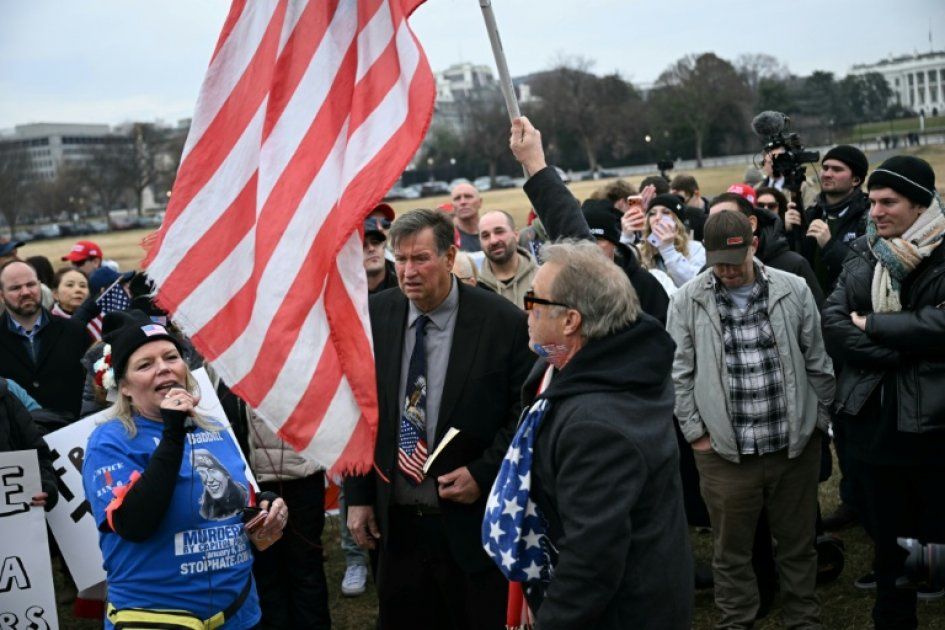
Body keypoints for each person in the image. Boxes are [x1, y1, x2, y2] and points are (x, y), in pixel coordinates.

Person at [482, 234, 691, 628]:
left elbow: (590, 561)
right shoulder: (622, 355)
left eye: (534, 301)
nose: (526, 311)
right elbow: (596, 277)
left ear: (571, 320)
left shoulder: (596, 428)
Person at [344, 209, 533, 629]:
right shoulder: (376, 316)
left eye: (421, 259)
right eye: (401, 259)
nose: (408, 271)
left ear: (450, 256)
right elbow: (359, 410)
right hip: (396, 527)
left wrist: (482, 473)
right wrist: (358, 495)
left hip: (471, 527)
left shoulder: (502, 323)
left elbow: (522, 418)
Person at [667, 211, 835, 629]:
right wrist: (696, 434)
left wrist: (819, 421)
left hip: (793, 446)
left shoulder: (792, 288)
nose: (725, 271)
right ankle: (736, 621)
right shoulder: (686, 300)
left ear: (753, 246)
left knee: (797, 546)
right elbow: (677, 373)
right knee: (731, 551)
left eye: (733, 261)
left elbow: (818, 361)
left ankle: (803, 619)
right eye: (717, 261)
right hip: (725, 454)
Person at [82, 310, 287, 629]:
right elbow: (134, 523)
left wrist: (263, 506)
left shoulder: (215, 428)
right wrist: (173, 431)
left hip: (238, 614)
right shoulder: (110, 440)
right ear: (124, 386)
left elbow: (235, 504)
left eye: (171, 357)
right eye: (145, 364)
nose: (163, 368)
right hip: (156, 619)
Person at [822, 156, 945, 627]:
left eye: (887, 202)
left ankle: (929, 578)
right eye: (871, 201)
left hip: (932, 425)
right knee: (888, 543)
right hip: (874, 427)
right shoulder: (863, 253)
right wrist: (902, 349)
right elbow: (833, 324)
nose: (874, 212)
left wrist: (874, 323)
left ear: (920, 204)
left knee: (931, 532)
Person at [0, 261, 89, 419]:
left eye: (31, 284)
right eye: (15, 288)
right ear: (1, 295)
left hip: (73, 432)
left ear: (40, 285)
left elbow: (90, 388)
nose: (26, 292)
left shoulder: (75, 331)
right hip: (17, 439)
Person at [709, 192, 824, 308]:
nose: (719, 228)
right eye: (712, 223)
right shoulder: (708, 271)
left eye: (728, 220)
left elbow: (816, 318)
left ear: (751, 223)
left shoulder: (794, 266)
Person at [787, 145, 871, 295]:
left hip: (848, 309)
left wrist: (830, 246)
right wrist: (786, 231)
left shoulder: (868, 216)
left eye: (837, 170)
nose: (827, 174)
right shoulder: (811, 214)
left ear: (856, 180)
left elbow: (867, 272)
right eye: (825, 168)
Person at [639, 194, 706, 287]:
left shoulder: (695, 248)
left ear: (677, 221)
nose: (657, 217)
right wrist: (626, 236)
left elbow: (695, 285)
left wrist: (668, 250)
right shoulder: (640, 249)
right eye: (652, 213)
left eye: (666, 212)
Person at [476, 210, 538, 309]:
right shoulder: (474, 287)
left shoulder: (541, 279)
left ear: (516, 235)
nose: (493, 241)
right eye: (485, 236)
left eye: (499, 232)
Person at [670, 173, 709, 240]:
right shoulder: (676, 215)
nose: (679, 206)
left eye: (682, 202)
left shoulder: (713, 213)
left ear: (696, 194)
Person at [364, 217, 398, 294]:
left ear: (383, 246)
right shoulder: (346, 293)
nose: (371, 248)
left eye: (375, 242)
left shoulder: (404, 285)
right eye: (363, 245)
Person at [450, 182, 484, 252]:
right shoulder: (447, 240)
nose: (463, 202)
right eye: (457, 198)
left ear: (480, 202)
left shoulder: (494, 235)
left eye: (468, 196)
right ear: (452, 206)